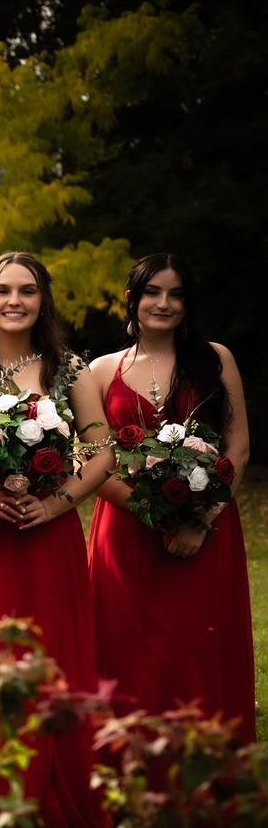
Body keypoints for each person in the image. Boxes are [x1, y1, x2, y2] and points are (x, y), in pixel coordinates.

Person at [0, 251, 110, 828]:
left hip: (47, 533)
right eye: (3, 290)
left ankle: (44, 793)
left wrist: (57, 501)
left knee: (45, 658)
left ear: (44, 301)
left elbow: (100, 452)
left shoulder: (70, 371)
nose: (15, 301)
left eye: (28, 291)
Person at [85, 253, 253, 735]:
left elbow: (238, 449)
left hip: (206, 528)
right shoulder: (101, 370)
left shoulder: (216, 359)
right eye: (152, 292)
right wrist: (150, 511)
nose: (164, 303)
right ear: (132, 299)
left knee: (199, 650)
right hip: (126, 531)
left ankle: (209, 789)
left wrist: (199, 522)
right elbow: (94, 461)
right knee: (128, 653)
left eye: (175, 293)